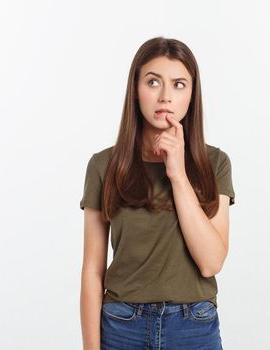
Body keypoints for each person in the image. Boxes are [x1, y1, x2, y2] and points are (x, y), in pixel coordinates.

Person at [79, 36, 235, 350]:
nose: (165, 96)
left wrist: (177, 174)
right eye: (153, 82)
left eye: (179, 84)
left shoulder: (215, 163)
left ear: (192, 94)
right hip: (122, 325)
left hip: (194, 326)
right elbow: (92, 271)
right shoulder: (103, 165)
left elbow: (211, 262)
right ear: (136, 91)